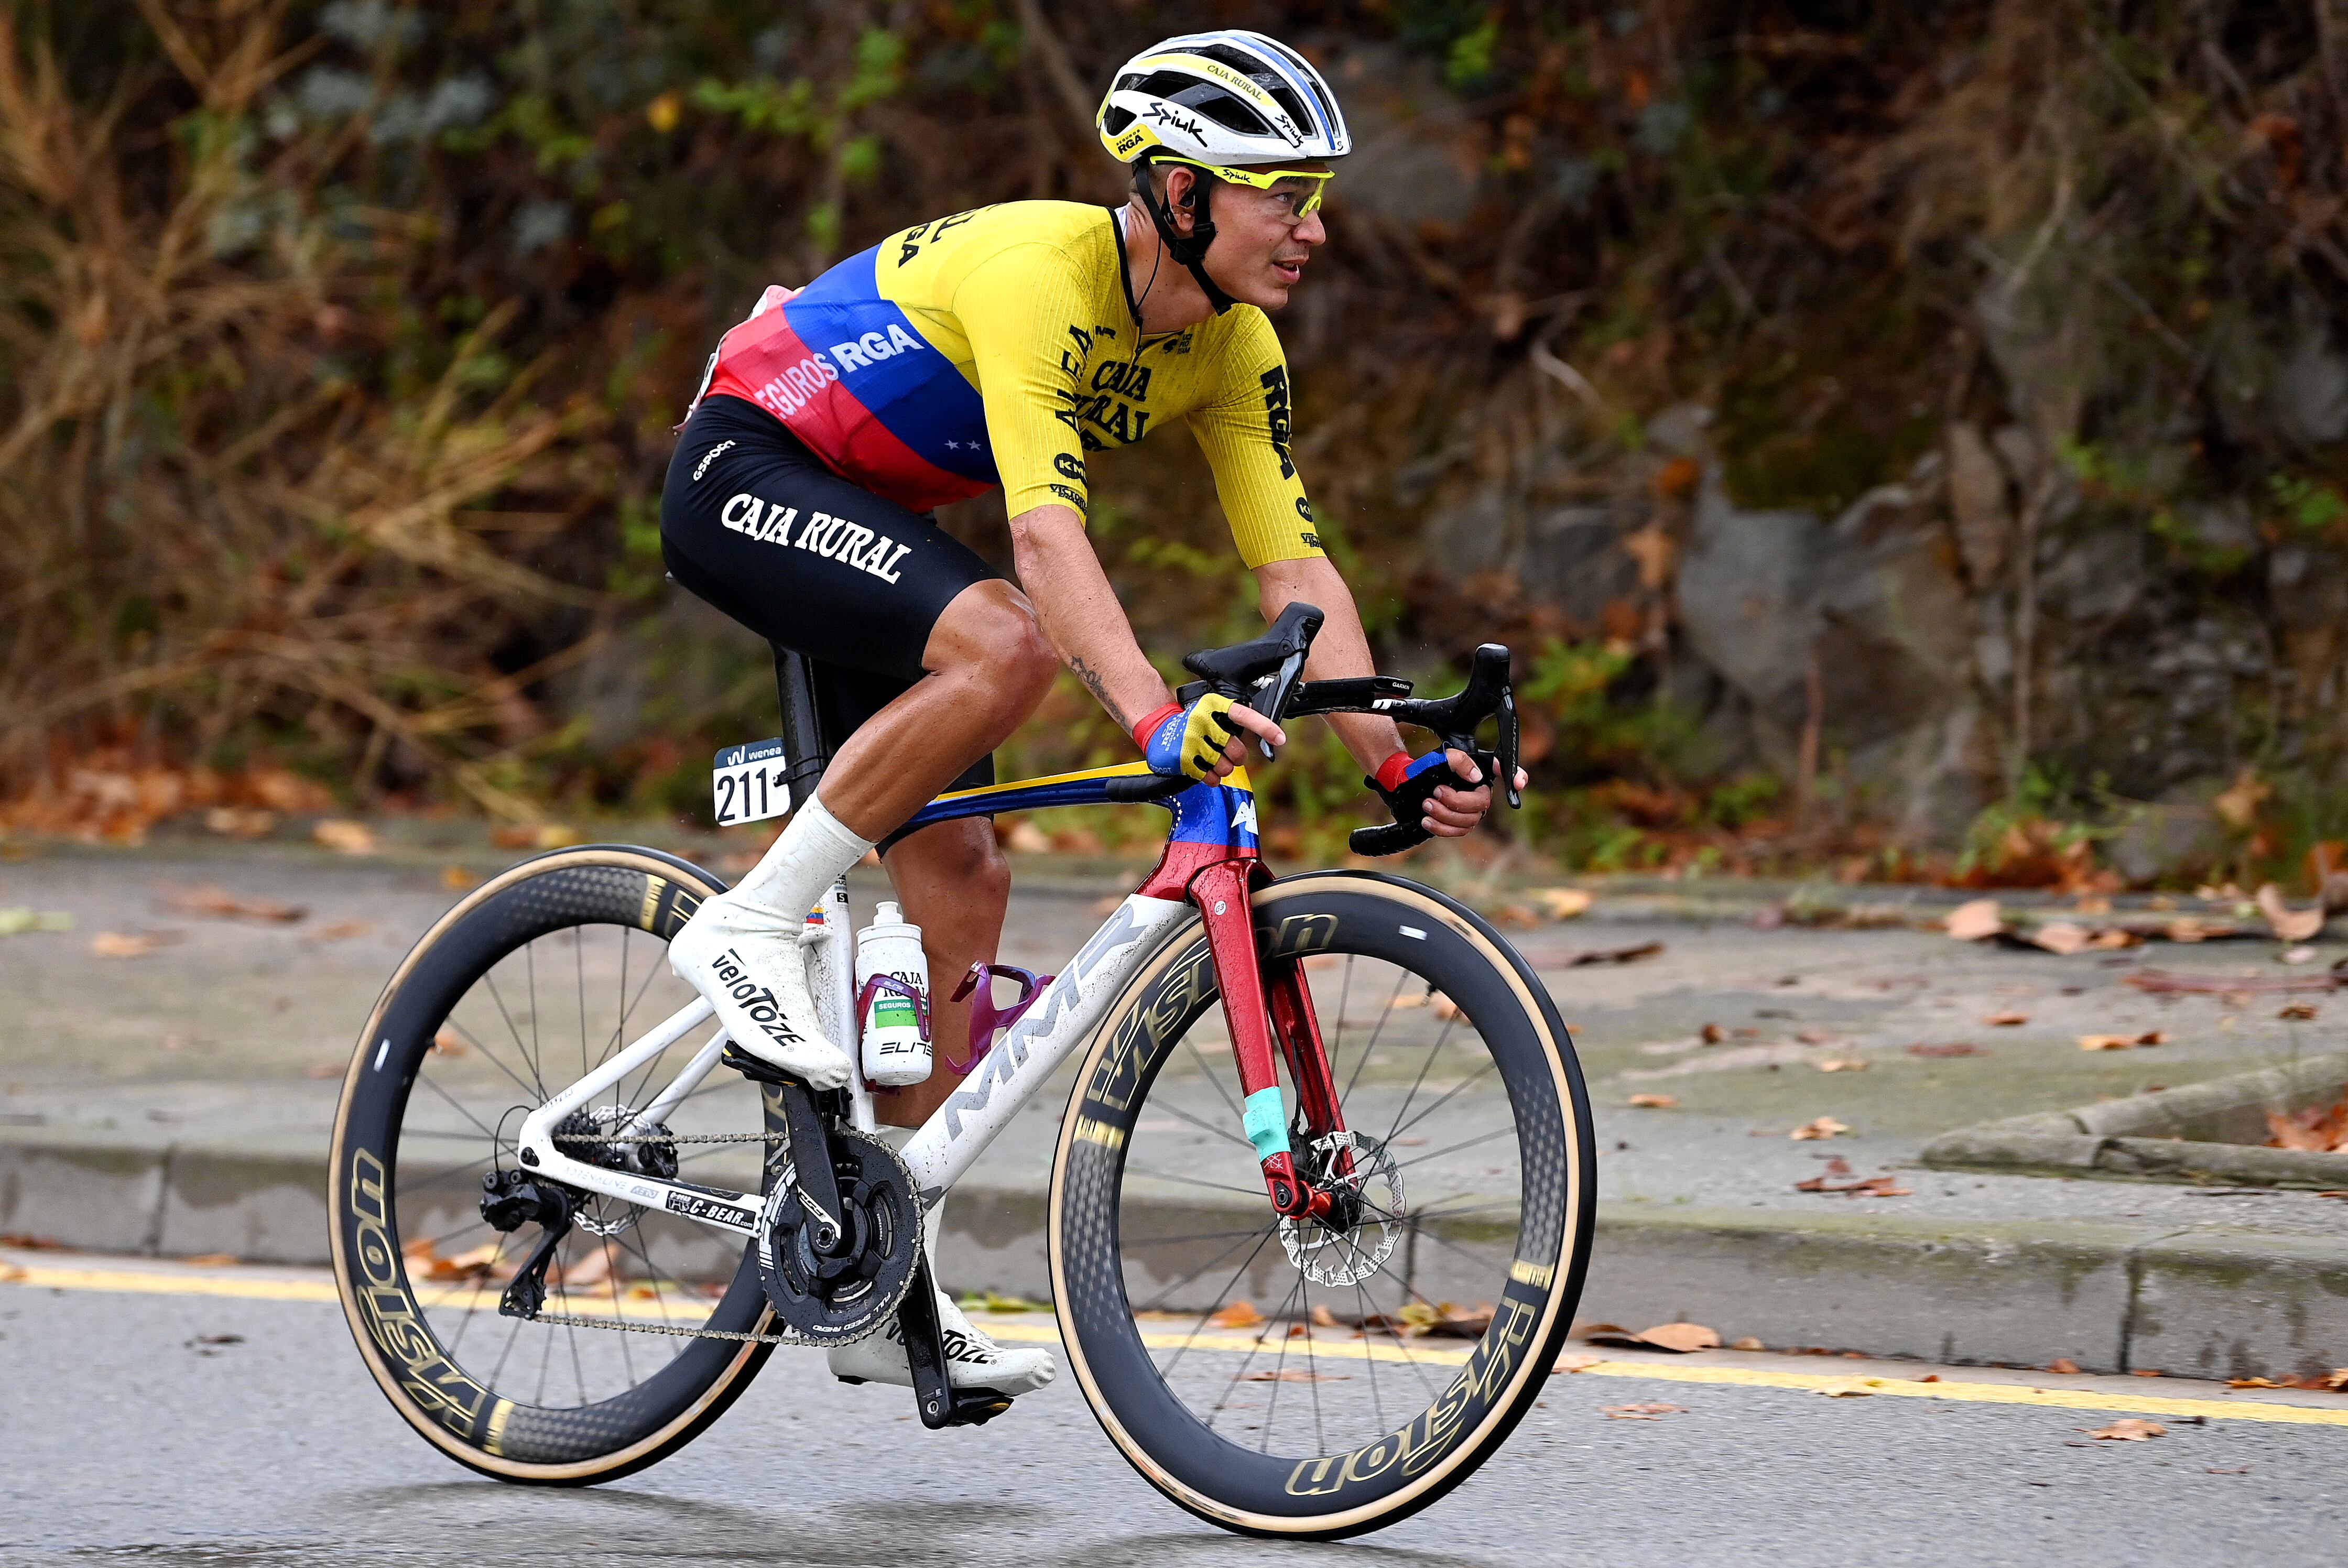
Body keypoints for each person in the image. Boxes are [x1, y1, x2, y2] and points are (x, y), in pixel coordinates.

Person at [657, 29, 1522, 1401]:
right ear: (1181, 194)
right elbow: (1047, 544)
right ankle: (749, 923)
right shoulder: (1041, 275)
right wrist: (1155, 722)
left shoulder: (1235, 347)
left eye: (1314, 195)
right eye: (1281, 194)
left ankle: (885, 1289)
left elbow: (1295, 568)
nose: (1311, 225)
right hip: (752, 461)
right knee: (1003, 638)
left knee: (965, 887)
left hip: (878, 515)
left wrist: (1403, 763)